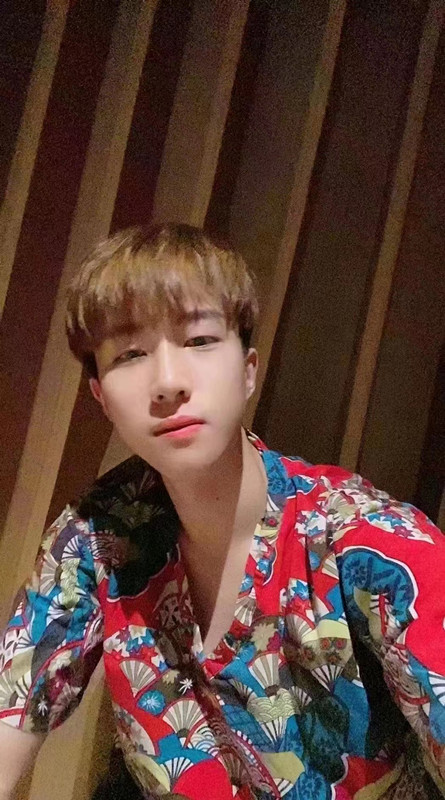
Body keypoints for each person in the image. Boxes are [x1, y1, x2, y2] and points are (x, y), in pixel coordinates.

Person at [0, 224, 444, 800]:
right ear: (100, 397)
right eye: (130, 354)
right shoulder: (95, 540)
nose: (168, 383)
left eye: (200, 340)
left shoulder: (368, 542)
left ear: (249, 369)